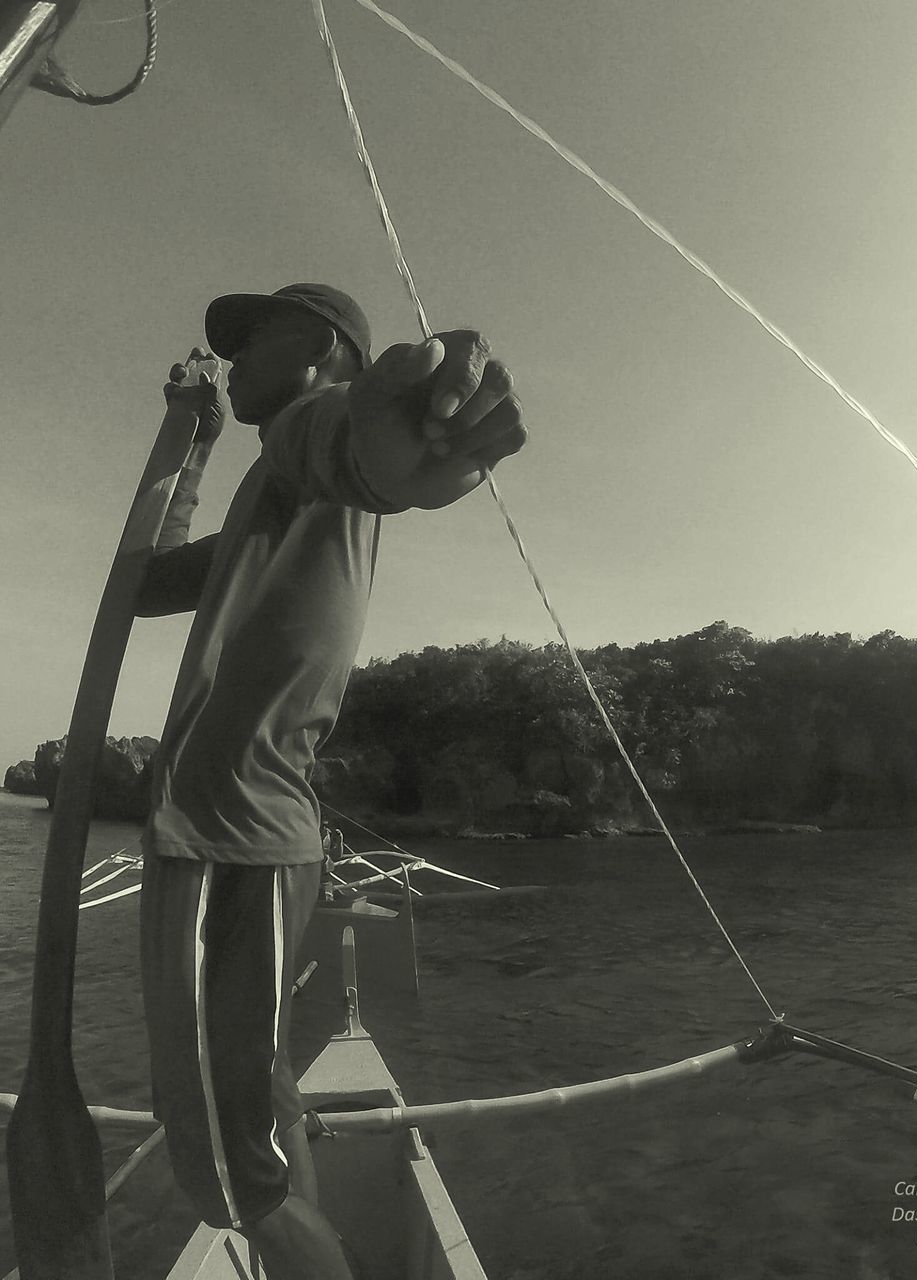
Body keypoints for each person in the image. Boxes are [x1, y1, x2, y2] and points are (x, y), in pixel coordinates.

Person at [134, 282, 526, 1280]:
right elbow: (140, 583)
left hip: (232, 832)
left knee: (231, 1166)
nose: (232, 363)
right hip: (236, 834)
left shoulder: (307, 439)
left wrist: (427, 431)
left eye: (248, 344)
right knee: (254, 1119)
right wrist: (192, 434)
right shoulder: (271, 493)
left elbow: (372, 453)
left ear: (312, 347)